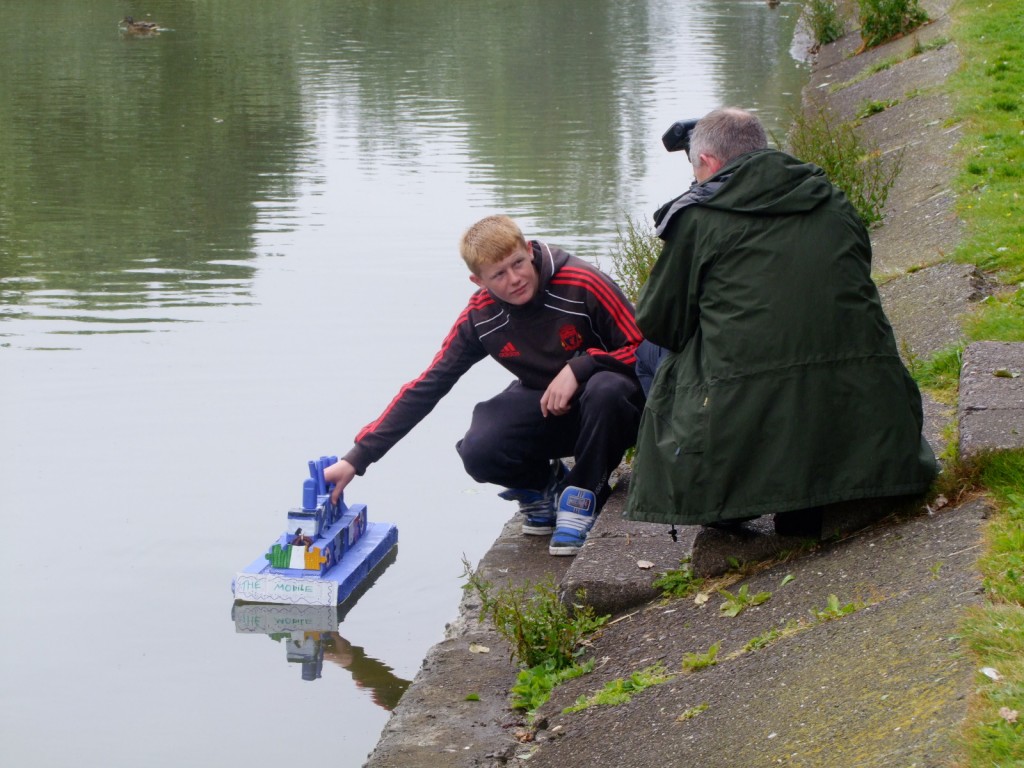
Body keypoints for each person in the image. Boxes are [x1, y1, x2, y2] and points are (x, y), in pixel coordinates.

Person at [624, 107, 937, 535]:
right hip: (869, 413)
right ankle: (819, 486)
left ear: (709, 163)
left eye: (697, 169)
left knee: (649, 354)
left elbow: (660, 323)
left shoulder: (699, 217)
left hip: (750, 409)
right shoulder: (830, 196)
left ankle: (719, 493)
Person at [325, 214, 645, 555]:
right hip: (553, 405)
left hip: (617, 405)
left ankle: (585, 493)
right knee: (480, 448)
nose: (515, 279)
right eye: (499, 274)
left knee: (606, 390)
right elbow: (428, 384)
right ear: (478, 281)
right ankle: (544, 487)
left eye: (518, 263)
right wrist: (357, 458)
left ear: (528, 251)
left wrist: (584, 365)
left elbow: (644, 348)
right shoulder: (480, 317)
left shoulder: (582, 281)